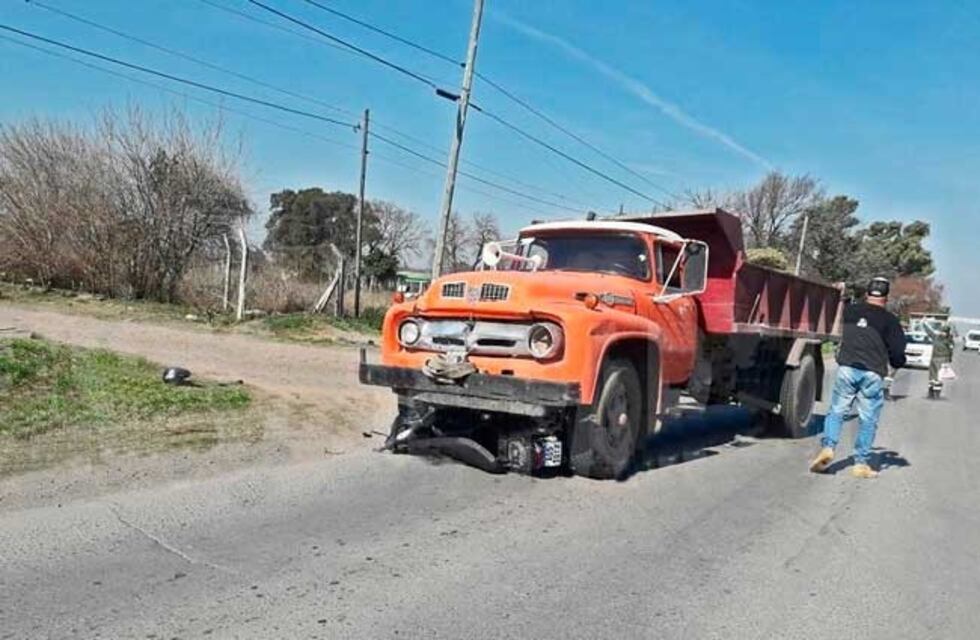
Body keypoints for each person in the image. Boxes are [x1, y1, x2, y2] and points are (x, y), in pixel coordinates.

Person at [810, 277, 906, 478]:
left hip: (847, 368)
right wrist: (897, 362)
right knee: (868, 418)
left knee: (837, 411)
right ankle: (861, 463)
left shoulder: (850, 311)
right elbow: (897, 354)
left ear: (867, 294)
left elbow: (834, 319)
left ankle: (828, 448)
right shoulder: (890, 321)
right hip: (872, 373)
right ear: (886, 298)